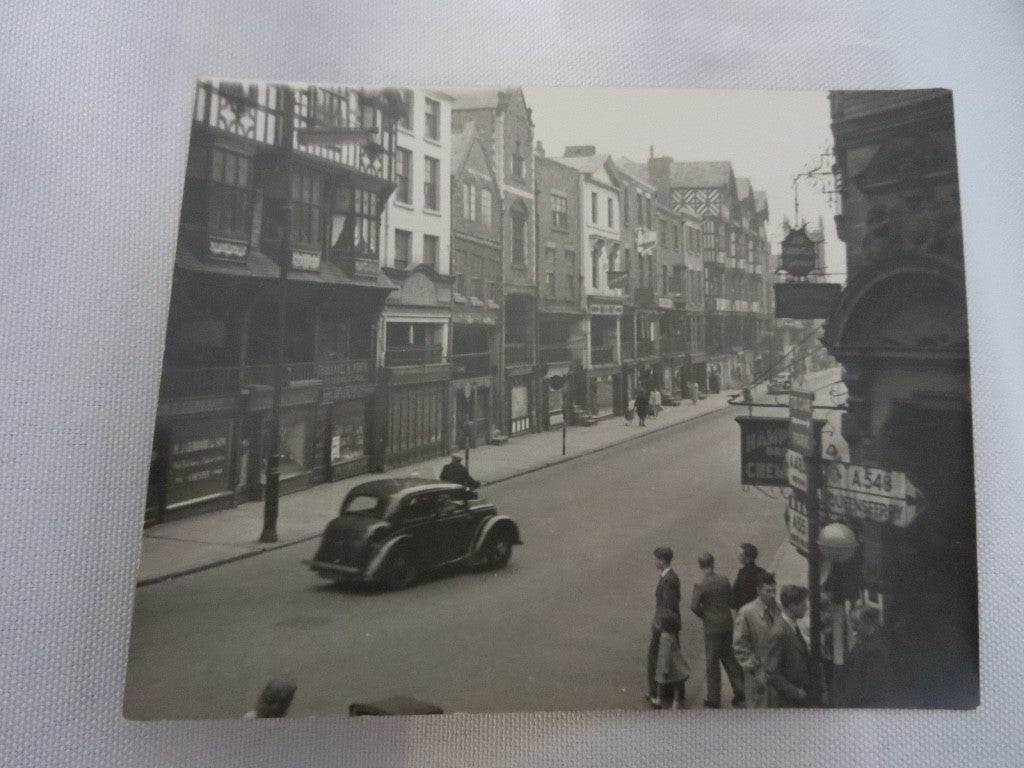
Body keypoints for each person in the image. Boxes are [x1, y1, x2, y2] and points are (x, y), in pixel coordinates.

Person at [690, 552, 746, 708]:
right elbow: (731, 599)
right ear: (713, 564)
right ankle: (740, 691)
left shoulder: (700, 585)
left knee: (712, 663)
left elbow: (694, 606)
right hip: (726, 623)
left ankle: (714, 698)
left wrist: (705, 614)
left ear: (700, 566)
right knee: (729, 657)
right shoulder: (724, 580)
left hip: (712, 627)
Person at [732, 571, 778, 709]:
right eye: (768, 591)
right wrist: (754, 668)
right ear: (758, 590)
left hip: (776, 673)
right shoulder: (746, 612)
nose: (772, 595)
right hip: (757, 673)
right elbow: (740, 645)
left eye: (774, 591)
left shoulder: (777, 608)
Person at [834, 605, 894, 708]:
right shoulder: (863, 642)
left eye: (856, 623)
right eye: (851, 622)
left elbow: (871, 686)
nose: (852, 627)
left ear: (868, 622)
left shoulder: (877, 648)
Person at [766, 584, 816, 707]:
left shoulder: (792, 625)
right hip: (788, 701)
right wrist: (795, 692)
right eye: (803, 604)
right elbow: (771, 673)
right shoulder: (779, 632)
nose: (806, 607)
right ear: (792, 606)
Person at [647, 546, 681, 707]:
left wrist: (659, 624)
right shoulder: (668, 577)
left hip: (664, 626)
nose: (655, 562)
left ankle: (656, 693)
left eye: (656, 559)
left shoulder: (669, 580)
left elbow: (668, 605)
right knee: (671, 659)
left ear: (662, 560)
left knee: (657, 657)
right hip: (667, 624)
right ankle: (666, 693)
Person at [653, 610, 689, 710]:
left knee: (660, 682)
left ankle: (658, 701)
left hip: (667, 665)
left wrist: (665, 669)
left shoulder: (665, 638)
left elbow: (666, 654)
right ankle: (675, 704)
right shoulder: (672, 636)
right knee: (677, 684)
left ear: (663, 626)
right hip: (676, 664)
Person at [731, 543, 768, 610]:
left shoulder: (742, 574)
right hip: (760, 608)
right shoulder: (762, 571)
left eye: (740, 555)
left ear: (748, 557)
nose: (738, 557)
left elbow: (736, 595)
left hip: (745, 609)